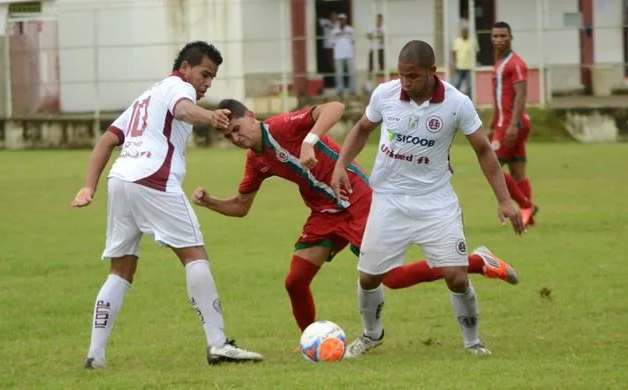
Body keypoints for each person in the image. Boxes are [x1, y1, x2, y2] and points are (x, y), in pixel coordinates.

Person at [190, 97, 520, 341]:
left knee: (390, 279)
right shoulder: (256, 161)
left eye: (236, 128)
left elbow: (333, 107)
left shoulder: (281, 126)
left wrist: (310, 139)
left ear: (250, 115)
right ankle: (312, 341)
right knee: (295, 281)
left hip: (359, 201)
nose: (236, 137)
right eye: (229, 136)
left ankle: (476, 261)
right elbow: (241, 206)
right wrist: (210, 202)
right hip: (324, 213)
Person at [70, 41, 263, 368]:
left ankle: (95, 355)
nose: (207, 83)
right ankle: (218, 345)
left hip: (120, 181)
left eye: (212, 78)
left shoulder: (147, 95)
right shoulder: (176, 86)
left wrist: (89, 186)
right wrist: (211, 115)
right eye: (204, 74)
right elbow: (184, 110)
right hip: (153, 180)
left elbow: (107, 140)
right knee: (194, 255)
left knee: (121, 269)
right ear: (185, 67)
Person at [331, 40, 524, 357]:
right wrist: (341, 165)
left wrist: (504, 199)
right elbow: (362, 129)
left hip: (435, 201)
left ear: (433, 72)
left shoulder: (457, 103)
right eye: (402, 75)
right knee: (368, 277)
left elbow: (484, 151)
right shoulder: (385, 94)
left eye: (413, 76)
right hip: (389, 199)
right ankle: (371, 335)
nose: (406, 82)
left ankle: (473, 342)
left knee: (456, 277)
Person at [490, 21, 537, 226]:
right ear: (491, 38)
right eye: (496, 36)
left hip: (511, 124)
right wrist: (492, 123)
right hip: (505, 122)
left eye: (503, 36)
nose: (500, 40)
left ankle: (526, 205)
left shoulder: (516, 64)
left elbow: (521, 95)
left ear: (511, 37)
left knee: (492, 166)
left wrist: (512, 125)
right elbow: (500, 97)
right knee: (518, 172)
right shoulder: (499, 63)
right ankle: (529, 217)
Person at [332, 13, 356, 95]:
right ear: (338, 21)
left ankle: (352, 90)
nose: (342, 21)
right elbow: (332, 43)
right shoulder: (334, 31)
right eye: (340, 19)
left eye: (343, 19)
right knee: (339, 74)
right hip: (338, 55)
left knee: (351, 73)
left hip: (349, 54)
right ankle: (339, 90)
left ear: (345, 20)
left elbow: (353, 41)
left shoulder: (350, 30)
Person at [452, 26, 478, 97]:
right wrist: (455, 64)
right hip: (459, 67)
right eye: (463, 32)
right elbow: (454, 53)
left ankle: (470, 102)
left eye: (466, 32)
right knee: (457, 85)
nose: (464, 33)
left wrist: (475, 63)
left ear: (468, 33)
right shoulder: (457, 41)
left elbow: (476, 52)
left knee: (469, 86)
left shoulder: (472, 42)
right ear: (461, 33)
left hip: (469, 67)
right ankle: (455, 99)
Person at [365, 14, 385, 93]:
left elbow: (384, 38)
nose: (379, 21)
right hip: (373, 49)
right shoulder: (371, 26)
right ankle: (368, 86)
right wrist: (377, 35)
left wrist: (378, 35)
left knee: (382, 68)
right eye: (378, 19)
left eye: (380, 19)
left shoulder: (384, 27)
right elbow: (368, 35)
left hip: (381, 49)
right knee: (370, 68)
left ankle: (382, 85)